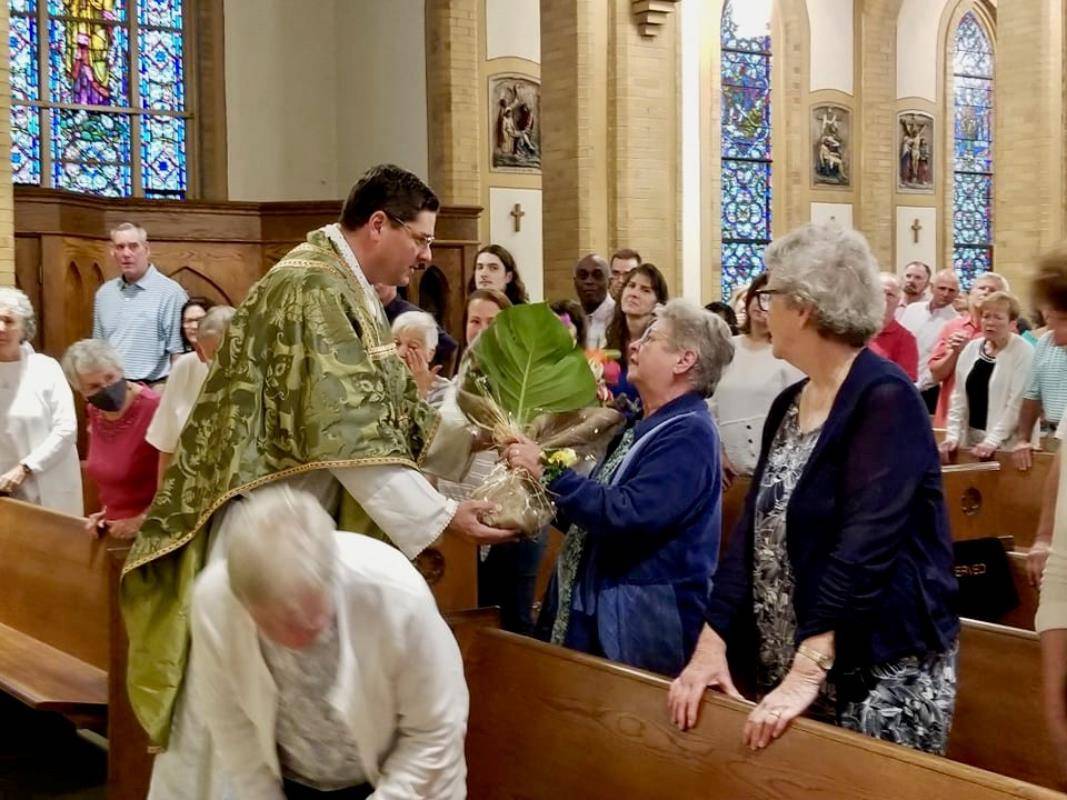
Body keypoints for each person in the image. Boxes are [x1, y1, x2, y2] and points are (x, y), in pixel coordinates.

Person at [121, 165, 516, 798]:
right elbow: (349, 432)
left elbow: (384, 411)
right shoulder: (312, 288)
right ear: (379, 224)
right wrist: (443, 517)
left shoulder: (339, 285)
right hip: (272, 535)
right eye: (420, 238)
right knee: (246, 722)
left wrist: (477, 438)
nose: (426, 255)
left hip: (311, 532)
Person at [668, 223, 959, 756]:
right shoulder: (790, 403)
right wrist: (712, 641)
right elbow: (751, 538)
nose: (762, 309)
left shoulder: (885, 398)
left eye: (770, 295)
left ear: (802, 308)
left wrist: (809, 668)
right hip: (794, 659)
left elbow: (865, 545)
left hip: (876, 669)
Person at [190, 485, 467, 800]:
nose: (294, 641)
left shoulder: (395, 595)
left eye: (310, 624)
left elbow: (434, 732)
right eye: (273, 626)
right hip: (289, 780)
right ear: (244, 604)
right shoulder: (215, 604)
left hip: (403, 778)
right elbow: (232, 728)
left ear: (331, 578)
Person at [505, 299, 734, 675]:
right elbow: (591, 519)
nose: (633, 345)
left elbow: (627, 514)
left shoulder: (689, 432)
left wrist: (547, 472)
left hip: (639, 624)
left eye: (651, 339)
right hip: (603, 610)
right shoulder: (644, 423)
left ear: (684, 360)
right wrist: (530, 499)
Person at [1030, 247, 1067, 783]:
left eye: (1060, 320)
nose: (1055, 337)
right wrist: (1043, 537)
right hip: (1065, 562)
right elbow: (1063, 460)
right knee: (1057, 703)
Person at [62, 339, 160, 538]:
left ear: (120, 370)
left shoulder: (155, 408)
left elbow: (177, 480)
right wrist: (105, 512)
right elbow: (112, 477)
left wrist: (143, 519)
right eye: (94, 386)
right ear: (81, 392)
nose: (106, 388)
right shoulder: (95, 411)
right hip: (115, 529)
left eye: (110, 377)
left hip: (153, 530)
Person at [710, 274, 803, 480]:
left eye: (771, 299)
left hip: (768, 469)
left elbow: (795, 418)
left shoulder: (787, 354)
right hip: (722, 466)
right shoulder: (727, 347)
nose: (761, 304)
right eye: (758, 295)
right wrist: (718, 451)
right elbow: (710, 403)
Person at [0, 288, 82, 515]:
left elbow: (66, 429)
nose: (1, 328)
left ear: (24, 327)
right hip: (5, 491)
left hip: (50, 483)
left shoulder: (45, 368)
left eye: (8, 321)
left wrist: (25, 467)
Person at [147, 305, 236, 487]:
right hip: (193, 485)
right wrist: (162, 496)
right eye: (213, 356)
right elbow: (167, 445)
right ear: (200, 351)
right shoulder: (185, 367)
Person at [940, 291, 1034, 462]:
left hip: (1006, 445)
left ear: (1012, 324)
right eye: (986, 316)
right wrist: (952, 435)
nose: (990, 322)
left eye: (998, 317)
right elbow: (958, 397)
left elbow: (1016, 404)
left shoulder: (1024, 352)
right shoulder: (971, 349)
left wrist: (992, 441)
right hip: (971, 439)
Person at [92, 222, 188, 385]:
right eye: (120, 247)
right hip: (112, 386)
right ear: (113, 252)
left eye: (133, 246)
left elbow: (178, 353)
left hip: (153, 387)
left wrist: (173, 392)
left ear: (147, 249)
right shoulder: (104, 293)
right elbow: (98, 348)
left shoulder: (170, 293)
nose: (126, 253)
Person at [928, 271, 1011, 427]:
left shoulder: (1008, 332)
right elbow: (937, 375)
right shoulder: (952, 326)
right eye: (981, 288)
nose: (986, 292)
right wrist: (955, 353)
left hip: (990, 419)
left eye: (992, 290)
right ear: (970, 294)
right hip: (952, 417)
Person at [605, 263, 669, 413]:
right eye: (631, 286)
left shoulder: (663, 349)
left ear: (658, 303)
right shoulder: (610, 345)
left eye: (645, 290)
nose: (634, 293)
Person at [899, 269, 960, 413]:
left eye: (951, 290)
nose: (946, 293)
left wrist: (920, 385)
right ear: (932, 288)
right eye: (942, 288)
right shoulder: (912, 310)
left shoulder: (956, 322)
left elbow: (942, 361)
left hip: (927, 390)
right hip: (899, 380)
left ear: (957, 293)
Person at [1011, 324, 1067, 471]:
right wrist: (1023, 439)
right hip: (1052, 436)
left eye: (1061, 320)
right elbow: (1032, 394)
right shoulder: (1045, 341)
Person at [374, 282, 458, 372]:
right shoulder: (370, 312)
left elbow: (450, 346)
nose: (375, 285)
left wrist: (427, 373)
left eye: (380, 280)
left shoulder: (412, 315)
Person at [392, 310, 450, 406]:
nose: (401, 353)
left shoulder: (446, 393)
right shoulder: (377, 384)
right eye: (397, 343)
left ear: (430, 354)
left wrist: (420, 389)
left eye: (413, 347)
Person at [869, 273, 919, 381]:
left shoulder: (906, 339)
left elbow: (905, 382)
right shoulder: (854, 329)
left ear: (899, 301)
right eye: (879, 292)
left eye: (890, 294)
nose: (883, 298)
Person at [574, 254, 614, 349]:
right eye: (583, 276)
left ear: (610, 282)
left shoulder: (621, 317)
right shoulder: (570, 318)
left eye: (597, 276)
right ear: (575, 282)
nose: (589, 281)